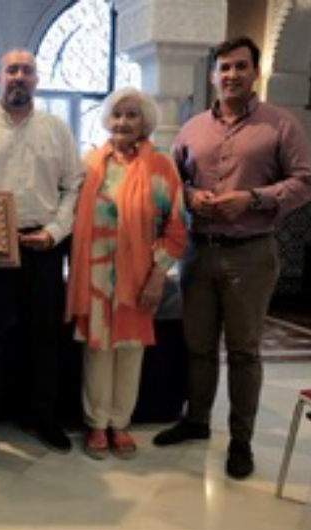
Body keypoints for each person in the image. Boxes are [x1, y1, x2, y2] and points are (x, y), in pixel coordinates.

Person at [153, 37, 311, 479]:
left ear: (254, 73)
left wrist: (255, 198)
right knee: (198, 346)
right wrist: (190, 196)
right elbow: (173, 181)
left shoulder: (281, 125)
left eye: (240, 67)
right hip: (199, 252)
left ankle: (241, 440)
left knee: (243, 352)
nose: (231, 76)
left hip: (251, 253)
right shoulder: (191, 128)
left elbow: (305, 181)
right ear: (213, 75)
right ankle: (197, 420)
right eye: (224, 68)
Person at [0, 48, 84, 453]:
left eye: (27, 71)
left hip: (43, 246)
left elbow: (74, 187)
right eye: (12, 69)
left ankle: (43, 418)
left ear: (37, 79)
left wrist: (55, 231)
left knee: (44, 336)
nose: (19, 76)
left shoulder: (57, 129)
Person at [65, 88, 186, 460]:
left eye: (132, 115)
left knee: (131, 350)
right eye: (117, 115)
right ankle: (96, 424)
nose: (123, 122)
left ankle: (120, 424)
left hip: (138, 274)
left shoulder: (160, 167)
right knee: (97, 350)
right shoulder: (90, 163)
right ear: (107, 120)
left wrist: (156, 277)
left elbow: (176, 227)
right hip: (95, 274)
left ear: (144, 122)